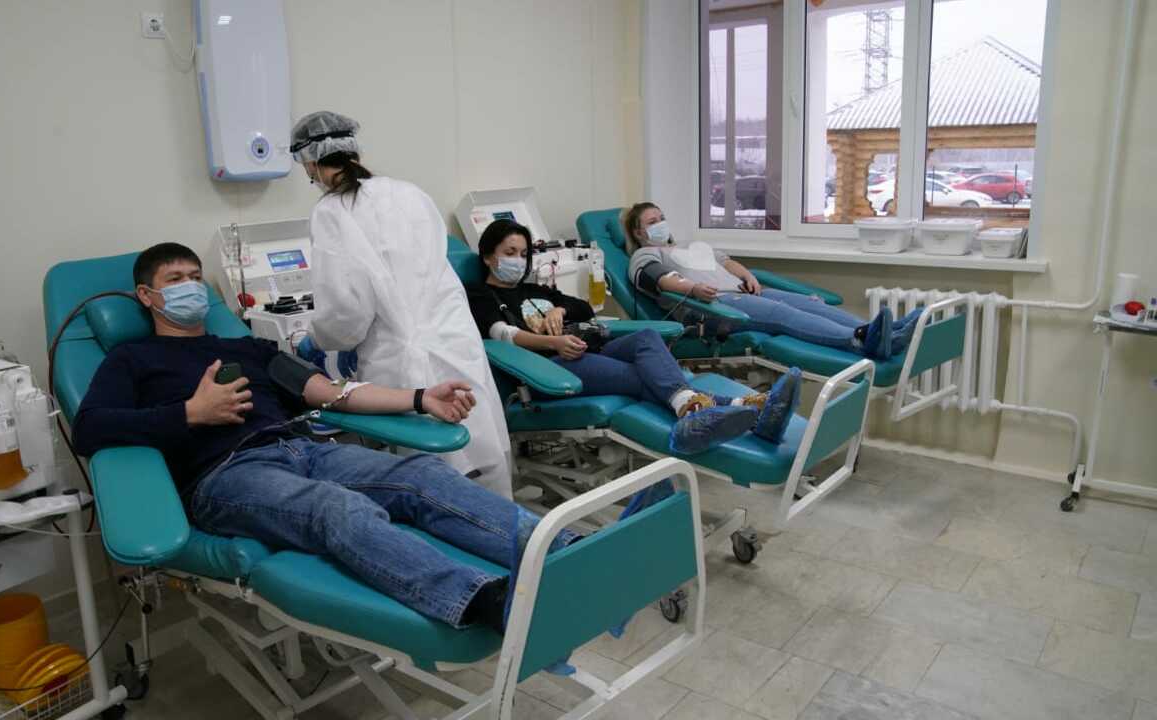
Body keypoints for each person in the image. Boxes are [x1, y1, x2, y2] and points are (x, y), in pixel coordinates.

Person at [72, 243, 561, 632]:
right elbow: (90, 427)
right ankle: (481, 600)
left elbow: (331, 392)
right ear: (146, 296)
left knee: (420, 475)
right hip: (224, 476)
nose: (190, 287)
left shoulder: (248, 347)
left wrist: (419, 398)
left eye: (196, 278)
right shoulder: (132, 359)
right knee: (336, 508)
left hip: (302, 449)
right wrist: (190, 414)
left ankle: (557, 549)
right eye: (175, 280)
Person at [290, 111, 514, 498]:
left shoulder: (331, 212)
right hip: (455, 339)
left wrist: (319, 339)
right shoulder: (409, 192)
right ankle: (509, 529)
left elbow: (346, 311)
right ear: (355, 151)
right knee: (482, 451)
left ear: (310, 164)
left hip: (400, 358)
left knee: (433, 478)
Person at [465, 219, 802, 447]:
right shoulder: (481, 293)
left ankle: (702, 409)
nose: (518, 260)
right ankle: (744, 408)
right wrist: (553, 341)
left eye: (523, 254)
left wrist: (559, 310)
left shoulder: (533, 288)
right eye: (509, 253)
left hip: (583, 350)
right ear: (488, 256)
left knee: (647, 338)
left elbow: (582, 307)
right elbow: (502, 333)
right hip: (549, 368)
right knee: (646, 376)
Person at [622, 202, 921, 360]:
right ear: (638, 232)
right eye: (652, 222)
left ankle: (886, 332)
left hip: (742, 293)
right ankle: (860, 341)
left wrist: (747, 275)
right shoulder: (645, 254)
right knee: (782, 314)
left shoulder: (689, 245)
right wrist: (693, 288)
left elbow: (726, 261)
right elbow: (659, 280)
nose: (660, 224)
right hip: (712, 307)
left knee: (809, 304)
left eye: (661, 218)